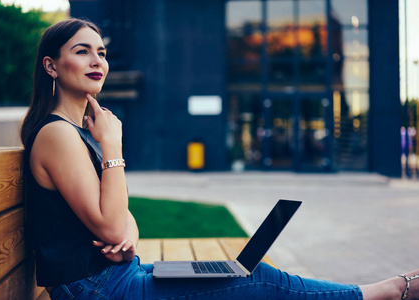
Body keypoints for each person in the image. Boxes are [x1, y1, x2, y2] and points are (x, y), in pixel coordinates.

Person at [21, 18, 419, 300]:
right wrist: (113, 146)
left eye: (102, 52)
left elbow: (123, 220)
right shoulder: (59, 133)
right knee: (256, 280)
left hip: (118, 275)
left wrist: (127, 242)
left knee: (245, 273)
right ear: (51, 66)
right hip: (98, 290)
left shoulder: (77, 133)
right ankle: (379, 293)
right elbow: (110, 223)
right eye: (82, 51)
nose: (98, 61)